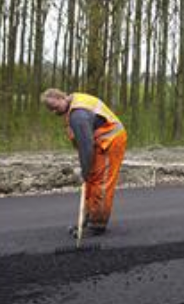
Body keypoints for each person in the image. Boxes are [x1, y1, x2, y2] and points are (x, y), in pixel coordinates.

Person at [41, 89, 127, 237]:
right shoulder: (74, 104)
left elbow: (86, 147)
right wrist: (87, 172)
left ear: (61, 97)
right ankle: (87, 219)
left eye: (55, 107)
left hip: (110, 141)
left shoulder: (78, 115)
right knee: (91, 181)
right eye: (50, 110)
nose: (54, 112)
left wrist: (85, 171)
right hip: (100, 141)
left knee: (101, 182)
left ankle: (97, 225)